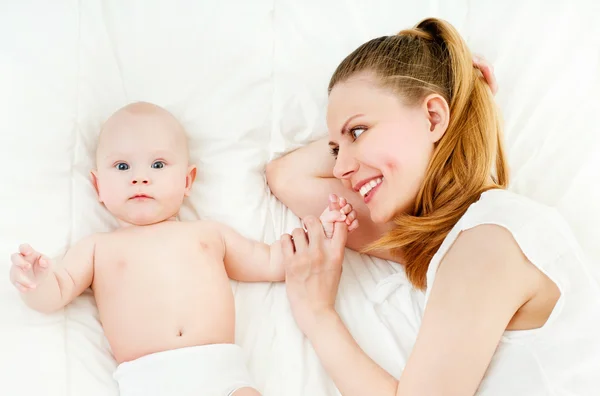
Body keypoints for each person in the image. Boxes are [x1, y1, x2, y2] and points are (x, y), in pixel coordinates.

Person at [266, 17, 600, 395]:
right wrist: (456, 90)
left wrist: (317, 314)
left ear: (433, 117)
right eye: (334, 149)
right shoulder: (449, 238)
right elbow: (286, 177)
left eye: (358, 131)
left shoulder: (491, 241)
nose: (340, 168)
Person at [8, 102, 355, 396]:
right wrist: (36, 281)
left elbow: (271, 261)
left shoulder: (209, 234)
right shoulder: (98, 248)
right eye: (122, 166)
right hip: (148, 380)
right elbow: (57, 292)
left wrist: (323, 227)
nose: (140, 178)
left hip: (223, 376)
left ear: (187, 181)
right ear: (98, 185)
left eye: (158, 165)